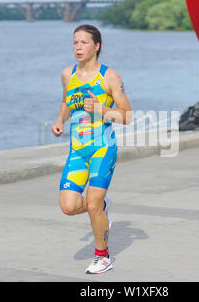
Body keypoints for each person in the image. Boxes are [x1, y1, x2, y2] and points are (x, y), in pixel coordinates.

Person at [52, 24, 132, 274]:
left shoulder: (109, 77)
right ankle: (102, 205)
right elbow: (67, 101)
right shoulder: (68, 74)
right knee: (68, 206)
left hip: (102, 149)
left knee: (93, 205)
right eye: (75, 42)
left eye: (84, 42)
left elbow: (127, 116)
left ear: (96, 46)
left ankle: (103, 256)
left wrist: (101, 110)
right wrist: (59, 121)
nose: (78, 47)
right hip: (77, 150)